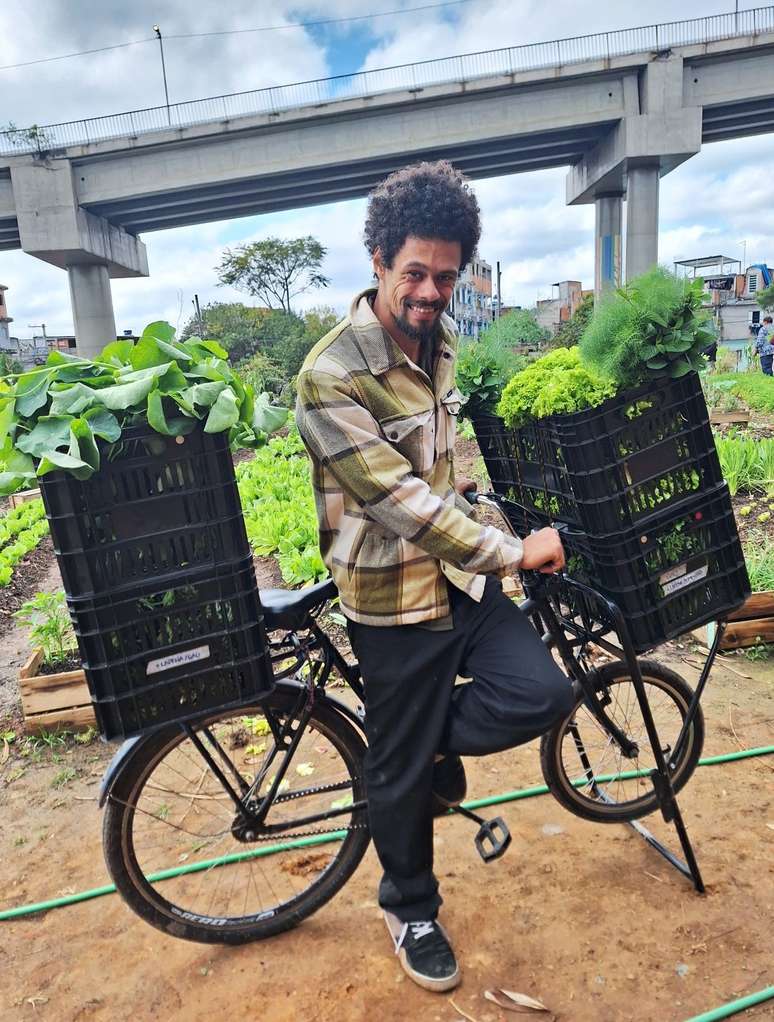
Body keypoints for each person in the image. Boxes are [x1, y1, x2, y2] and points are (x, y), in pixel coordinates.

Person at [295, 161, 576, 993]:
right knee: (402, 770)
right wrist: (511, 553)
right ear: (378, 261)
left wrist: (492, 520)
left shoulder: (441, 340)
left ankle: (413, 755)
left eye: (446, 276)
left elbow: (442, 473)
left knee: (543, 694)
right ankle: (410, 904)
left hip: (461, 579)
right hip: (391, 593)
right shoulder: (330, 374)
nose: (429, 291)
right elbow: (401, 502)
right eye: (414, 272)